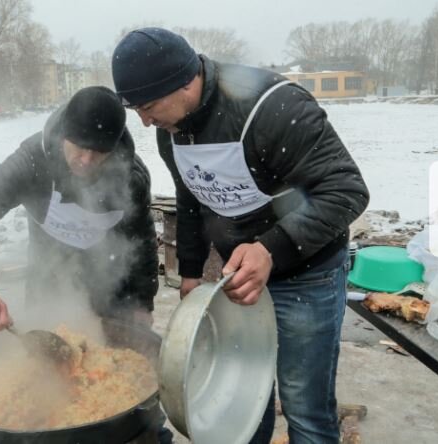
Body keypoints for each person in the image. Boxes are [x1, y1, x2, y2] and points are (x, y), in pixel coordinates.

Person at [112, 27, 370, 443]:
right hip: (239, 281)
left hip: (307, 271)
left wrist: (271, 248)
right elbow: (191, 196)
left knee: (303, 403)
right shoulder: (172, 126)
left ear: (183, 81)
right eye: (135, 110)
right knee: (243, 400)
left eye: (148, 106)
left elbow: (347, 191)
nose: (145, 122)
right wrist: (192, 272)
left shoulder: (273, 107)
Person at [0, 86, 158, 331]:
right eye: (78, 146)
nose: (86, 160)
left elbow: (142, 240)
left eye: (98, 152)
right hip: (48, 286)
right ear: (64, 135)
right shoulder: (32, 162)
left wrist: (142, 303)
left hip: (111, 289)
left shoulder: (130, 178)